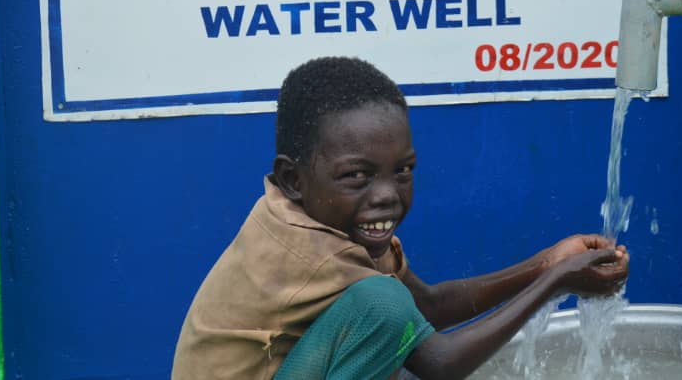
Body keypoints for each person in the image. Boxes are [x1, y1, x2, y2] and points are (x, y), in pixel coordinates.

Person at [172, 56, 628, 380]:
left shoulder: (326, 221)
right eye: (357, 176)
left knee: (397, 328)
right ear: (294, 178)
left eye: (403, 170)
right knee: (385, 310)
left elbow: (426, 307)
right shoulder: (307, 252)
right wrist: (557, 283)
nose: (387, 196)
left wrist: (547, 262)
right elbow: (440, 363)